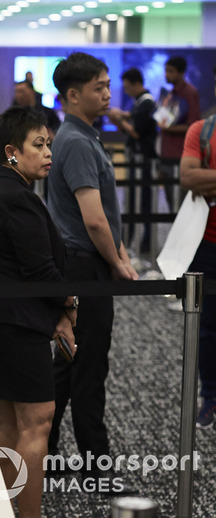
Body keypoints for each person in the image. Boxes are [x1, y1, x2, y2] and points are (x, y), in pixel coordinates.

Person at [0, 105, 76, 518]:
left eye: (49, 144)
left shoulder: (3, 188)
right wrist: (69, 306)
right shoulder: (16, 197)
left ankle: (1, 510)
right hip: (16, 320)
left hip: (0, 317)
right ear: (12, 151)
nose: (48, 152)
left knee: (10, 422)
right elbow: (41, 272)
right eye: (39, 145)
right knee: (37, 422)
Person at [46, 53, 138, 493]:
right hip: (84, 266)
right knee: (88, 369)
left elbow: (107, 218)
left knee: (68, 363)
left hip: (81, 264)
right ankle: (97, 471)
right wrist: (117, 263)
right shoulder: (78, 141)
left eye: (107, 85)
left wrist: (119, 252)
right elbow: (94, 219)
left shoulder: (81, 136)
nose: (107, 94)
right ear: (72, 95)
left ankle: (44, 453)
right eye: (99, 87)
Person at [179, 108, 216, 430]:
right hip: (206, 243)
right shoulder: (202, 131)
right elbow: (189, 177)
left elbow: (199, 178)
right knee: (206, 328)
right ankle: (211, 396)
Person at [107, 67, 157, 254]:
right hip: (138, 158)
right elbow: (135, 119)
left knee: (143, 203)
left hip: (143, 158)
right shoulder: (141, 102)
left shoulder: (146, 103)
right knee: (135, 202)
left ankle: (144, 244)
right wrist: (122, 115)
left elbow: (136, 131)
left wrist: (119, 121)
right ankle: (135, 242)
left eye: (127, 87)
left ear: (137, 84)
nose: (126, 91)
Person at [158, 56, 200, 213]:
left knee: (181, 206)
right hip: (167, 155)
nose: (166, 75)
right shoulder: (170, 93)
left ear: (181, 73)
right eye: (166, 71)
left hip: (180, 156)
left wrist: (167, 128)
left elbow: (193, 126)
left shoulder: (190, 93)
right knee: (171, 203)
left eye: (171, 71)